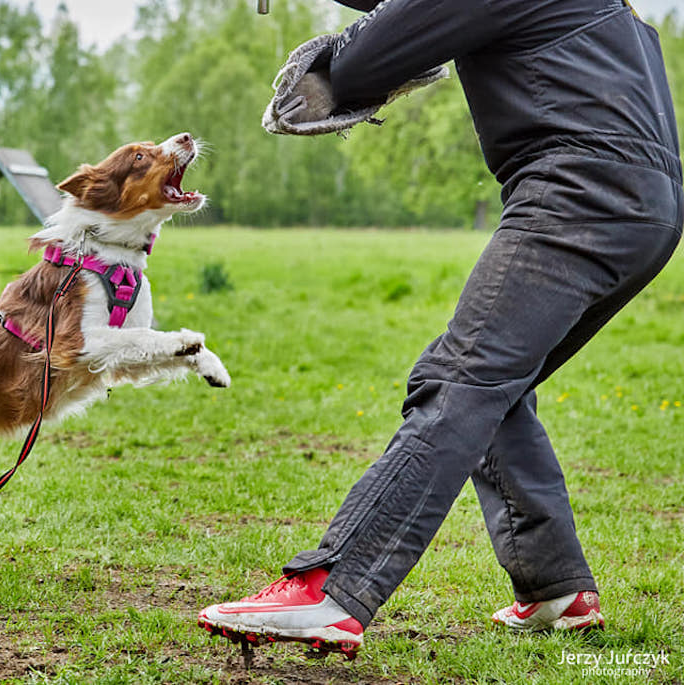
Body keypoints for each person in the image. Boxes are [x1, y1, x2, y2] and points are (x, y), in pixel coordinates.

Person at [198, 0, 683, 657]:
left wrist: (337, 67)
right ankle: (556, 587)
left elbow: (372, 56)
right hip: (647, 205)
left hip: (578, 193)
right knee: (491, 381)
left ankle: (333, 588)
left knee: (460, 380)